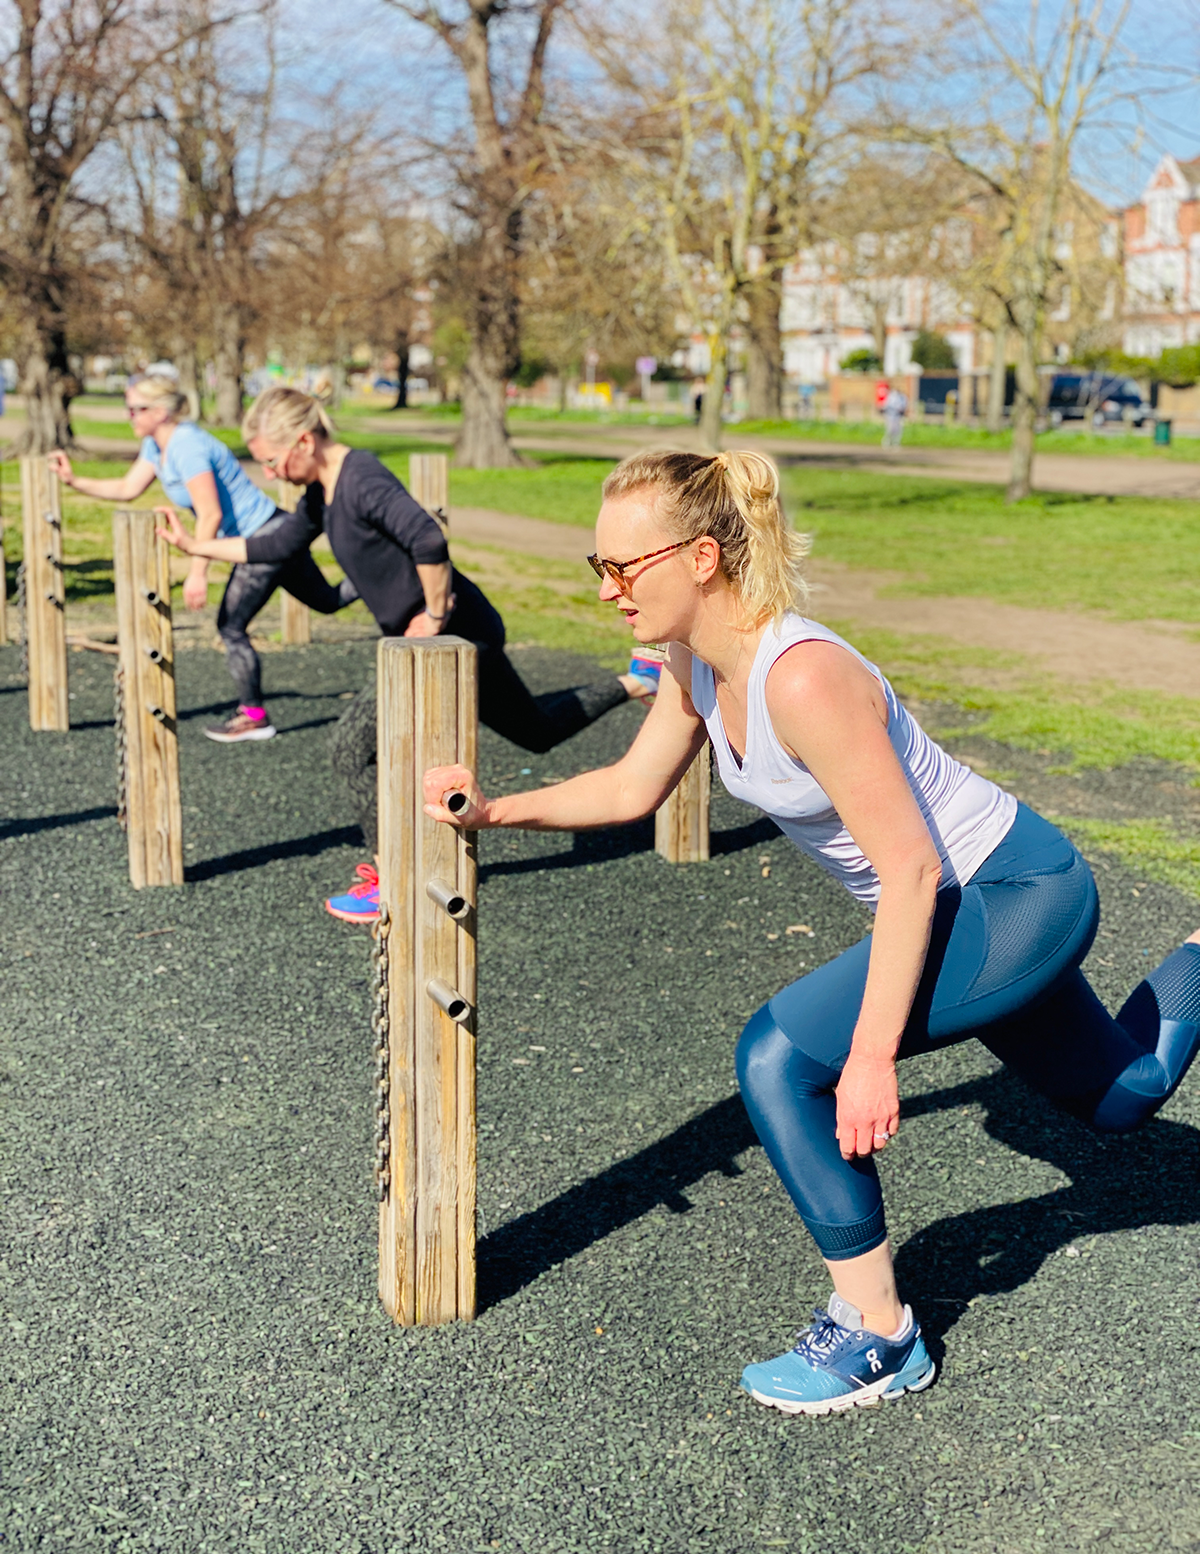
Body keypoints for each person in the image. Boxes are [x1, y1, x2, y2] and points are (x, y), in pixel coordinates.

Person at [419, 447, 1200, 1415]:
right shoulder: (694, 663)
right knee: (1126, 1097)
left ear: (701, 557)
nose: (609, 590)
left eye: (624, 568)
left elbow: (913, 869)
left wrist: (871, 1055)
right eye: (600, 568)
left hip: (1016, 890)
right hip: (957, 907)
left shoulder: (803, 677)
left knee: (779, 1057)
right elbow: (631, 786)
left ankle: (881, 1334)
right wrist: (491, 812)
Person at [155, 385, 659, 922]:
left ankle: (389, 875)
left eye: (272, 461)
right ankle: (639, 679)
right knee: (535, 732)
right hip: (441, 640)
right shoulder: (322, 494)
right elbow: (273, 546)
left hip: (456, 636)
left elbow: (428, 539)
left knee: (349, 748)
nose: (272, 473)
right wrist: (195, 548)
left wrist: (436, 615)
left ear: (303, 440)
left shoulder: (362, 477)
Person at [49, 374, 357, 742]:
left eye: (136, 408)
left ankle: (254, 716)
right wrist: (74, 481)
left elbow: (209, 513)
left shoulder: (187, 446)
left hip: (262, 536)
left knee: (230, 626)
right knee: (327, 601)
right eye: (127, 407)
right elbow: (128, 488)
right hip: (271, 530)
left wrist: (198, 572)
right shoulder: (155, 445)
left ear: (161, 411)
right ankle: (384, 575)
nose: (129, 415)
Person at [880, 383, 907, 448]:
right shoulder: (891, 396)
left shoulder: (902, 397)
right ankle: (887, 442)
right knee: (890, 429)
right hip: (890, 415)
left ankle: (896, 443)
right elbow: (886, 405)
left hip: (899, 416)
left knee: (898, 430)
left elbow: (904, 405)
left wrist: (902, 410)